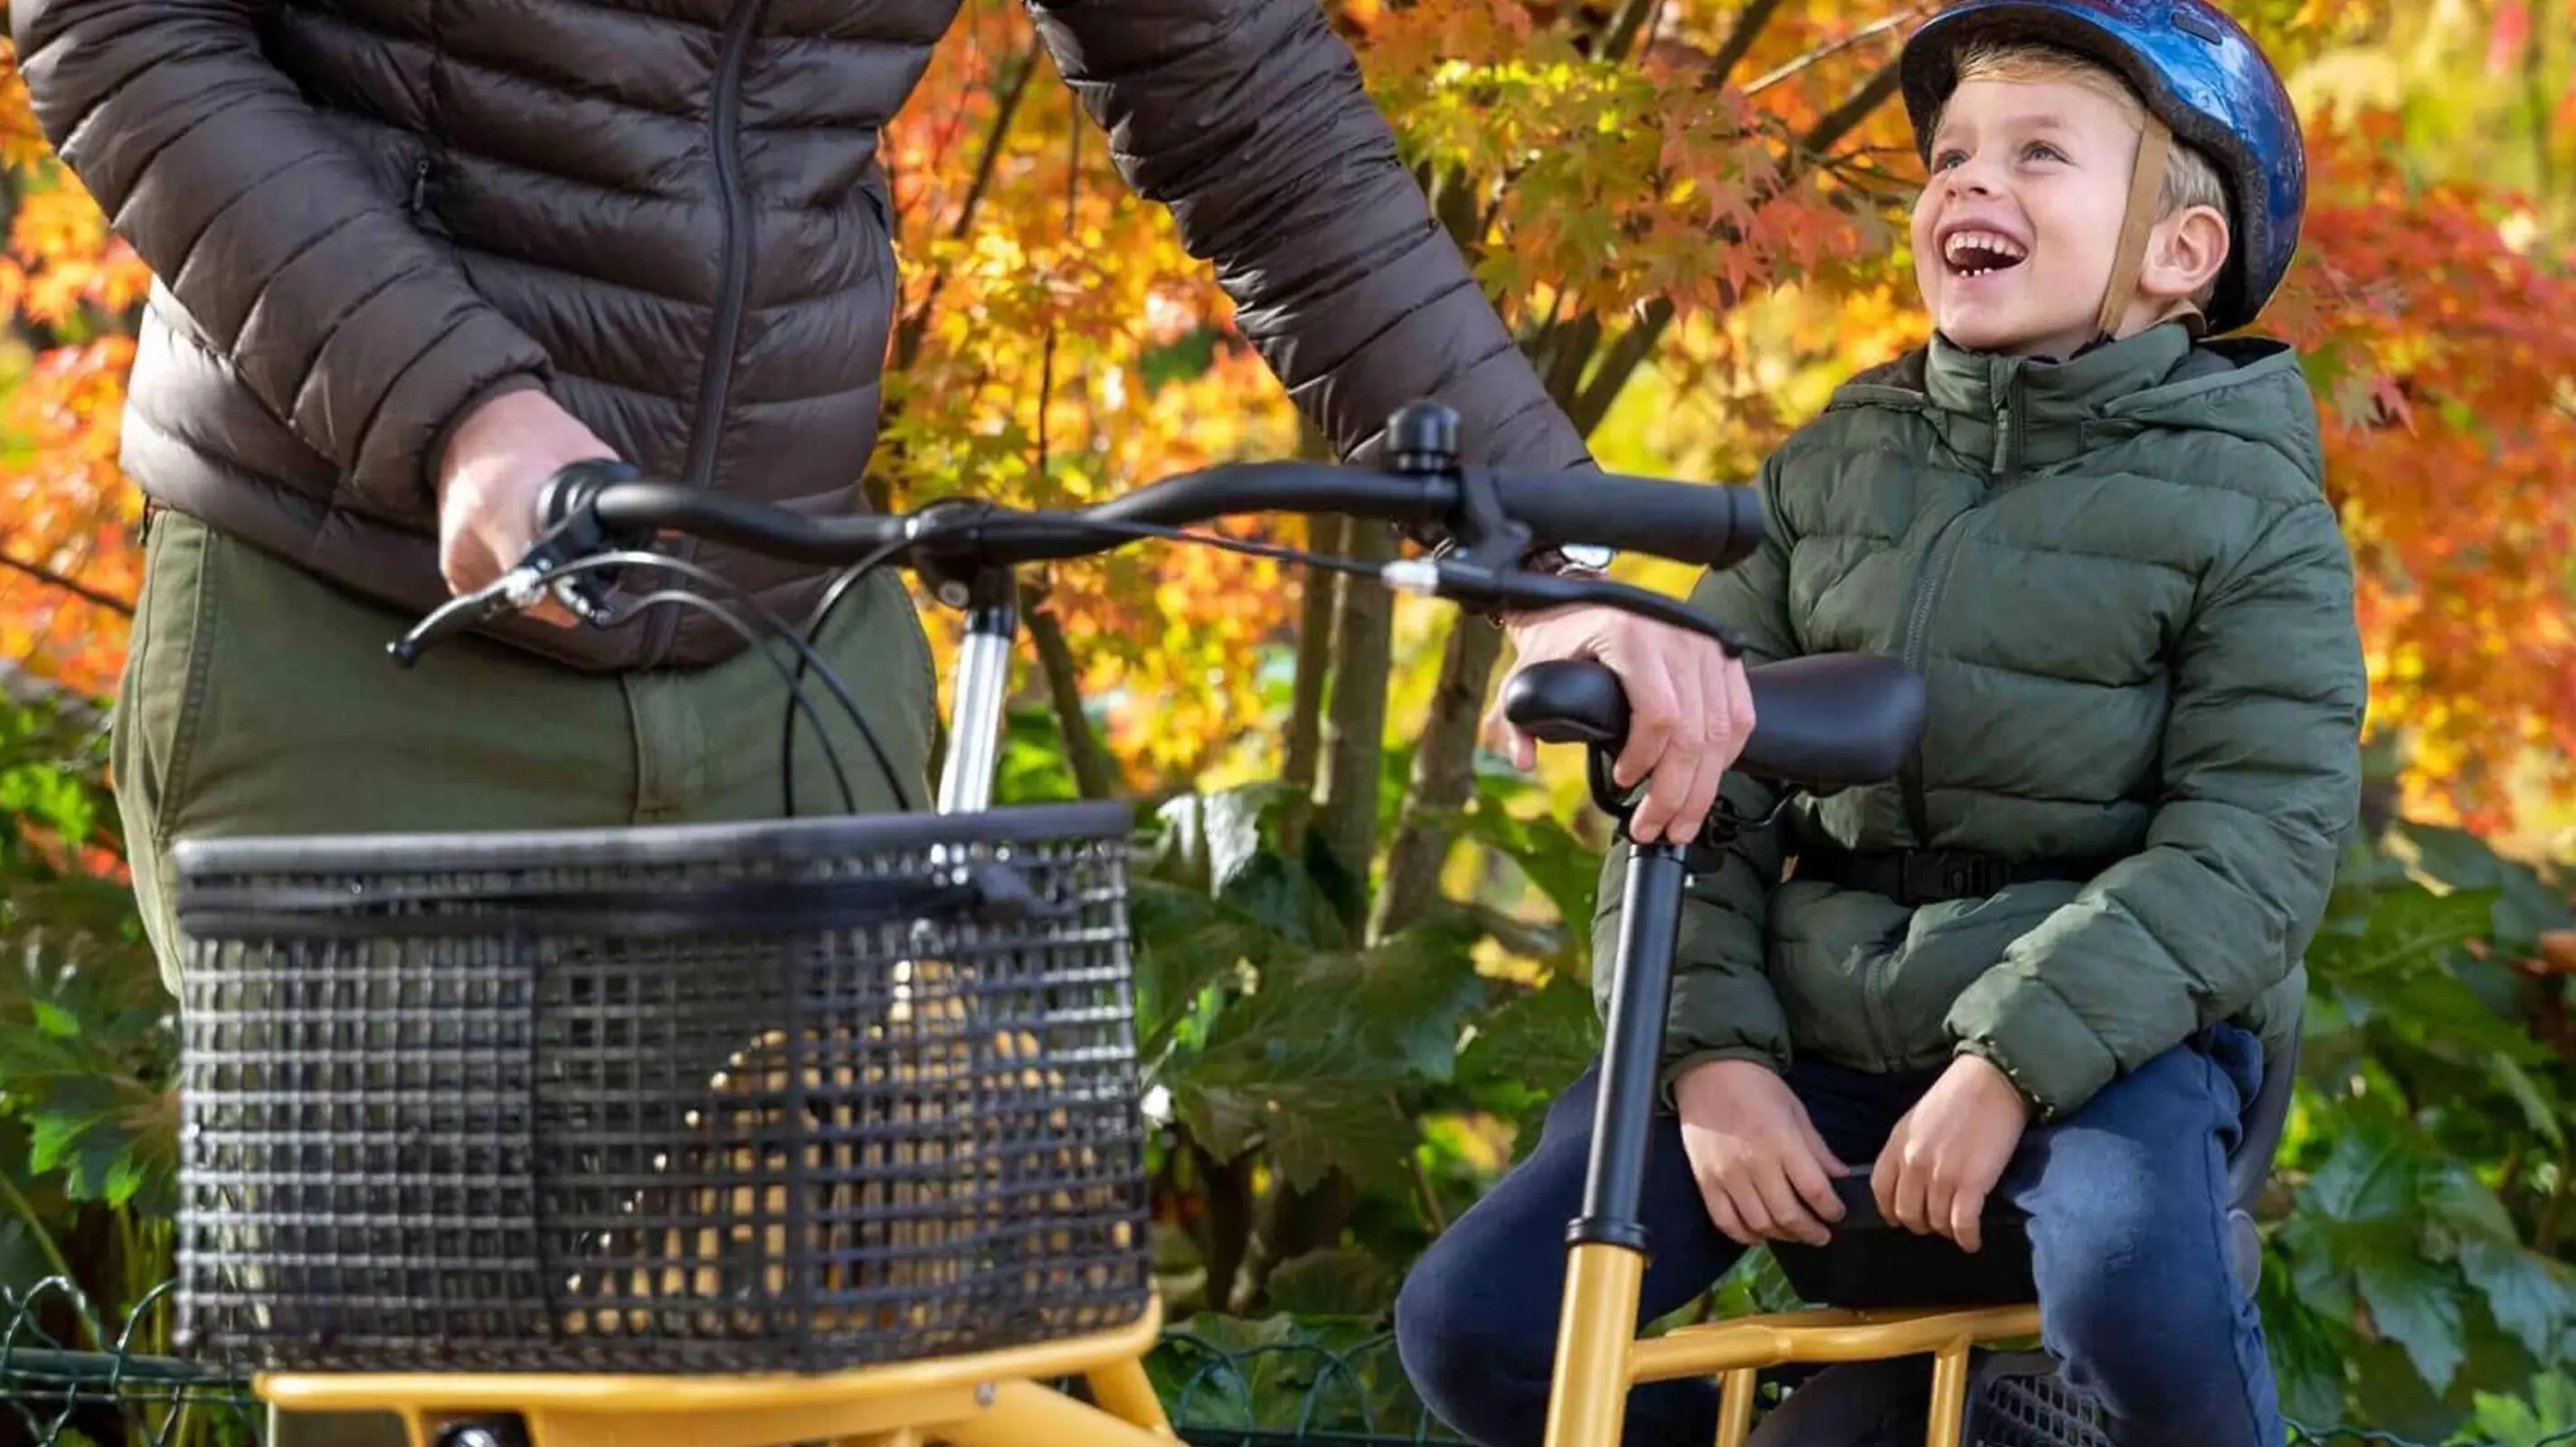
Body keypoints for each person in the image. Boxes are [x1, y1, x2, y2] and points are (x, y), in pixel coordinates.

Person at [6, 0, 1751, 1006]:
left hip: (793, 645)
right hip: (360, 618)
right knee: (415, 1384)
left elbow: (1256, 114)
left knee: (824, 1372)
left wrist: (1556, 557)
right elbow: (115, 19)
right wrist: (460, 407)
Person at [1397, 4, 2367, 1446]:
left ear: (2178, 254)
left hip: (2101, 1051)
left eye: (2042, 155)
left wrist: (2008, 1066)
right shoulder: (1838, 463)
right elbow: (1695, 777)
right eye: (1954, 156)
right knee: (1474, 1330)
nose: (1971, 183)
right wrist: (1709, 1055)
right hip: (1814, 1031)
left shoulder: (2253, 512)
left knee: (2125, 1283)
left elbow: (2256, 845)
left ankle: (2100, 1397)